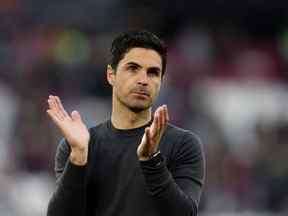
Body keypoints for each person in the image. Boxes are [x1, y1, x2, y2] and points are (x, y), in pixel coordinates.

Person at [46, 30, 205, 216]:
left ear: (161, 81)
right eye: (132, 68)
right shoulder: (77, 147)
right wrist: (78, 157)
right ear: (111, 75)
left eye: (153, 73)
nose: (143, 80)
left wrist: (151, 160)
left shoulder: (183, 144)